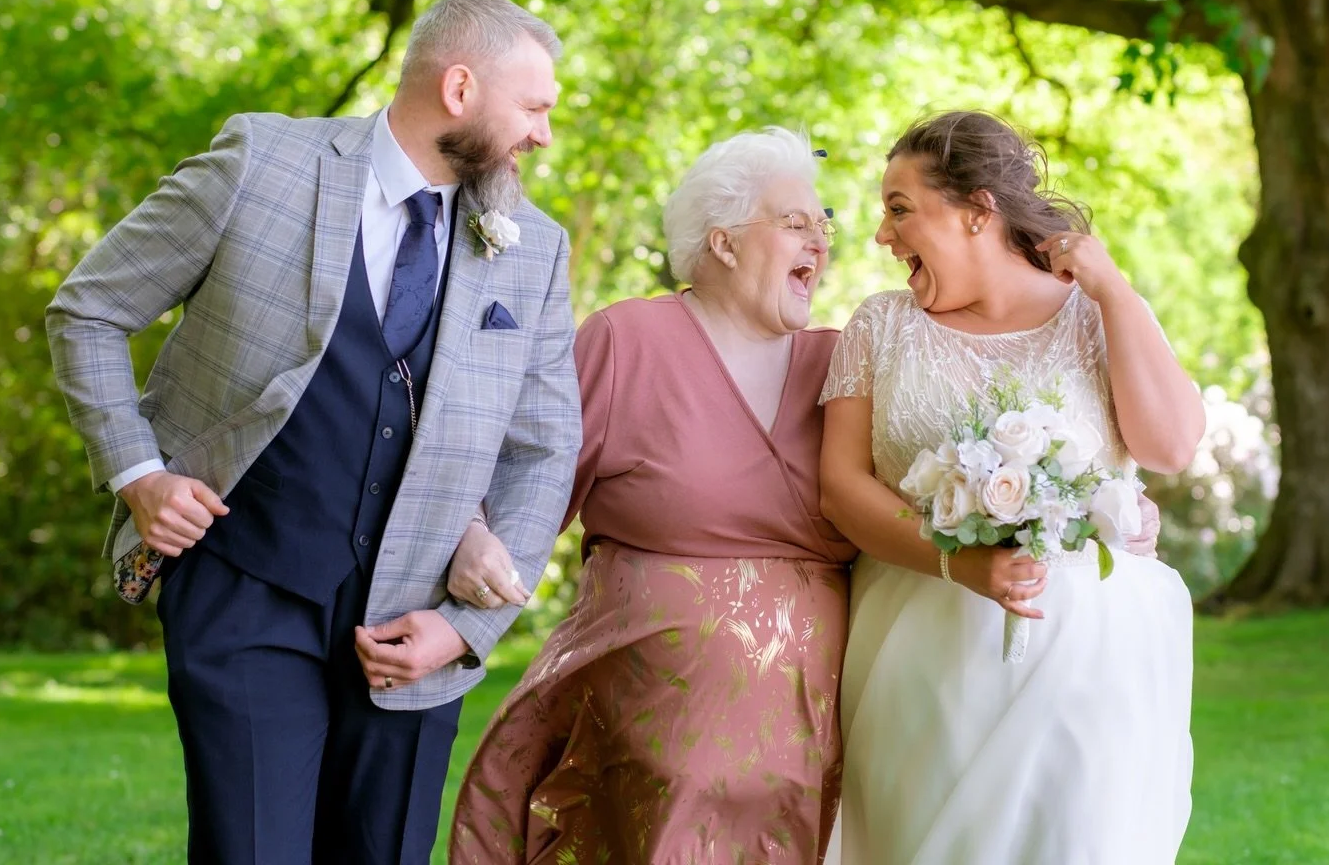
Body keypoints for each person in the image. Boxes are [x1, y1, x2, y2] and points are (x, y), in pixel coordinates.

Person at [45, 0, 581, 863]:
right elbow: (90, 310)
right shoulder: (262, 162)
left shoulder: (534, 245)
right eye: (533, 107)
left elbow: (544, 446)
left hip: (415, 628)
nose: (543, 135)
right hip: (243, 584)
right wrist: (139, 473)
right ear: (458, 89)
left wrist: (465, 628)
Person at [449, 128, 854, 864]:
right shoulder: (628, 340)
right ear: (724, 242)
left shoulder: (844, 363)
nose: (819, 243)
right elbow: (520, 485)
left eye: (824, 225)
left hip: (821, 739)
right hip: (653, 737)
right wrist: (470, 558)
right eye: (796, 223)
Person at [819, 111, 1202, 864]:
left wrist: (1115, 291)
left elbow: (1171, 447)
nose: (881, 237)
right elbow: (840, 486)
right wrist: (957, 563)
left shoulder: (1096, 315)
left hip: (1089, 658)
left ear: (976, 212)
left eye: (900, 209)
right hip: (917, 653)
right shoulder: (877, 328)